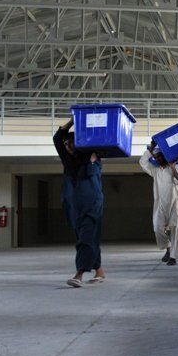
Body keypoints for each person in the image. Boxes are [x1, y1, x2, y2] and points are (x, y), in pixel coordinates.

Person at [53, 116, 105, 288]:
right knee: (87, 238)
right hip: (75, 207)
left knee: (85, 239)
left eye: (72, 143)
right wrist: (74, 120)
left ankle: (79, 274)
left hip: (91, 205)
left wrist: (85, 127)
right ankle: (99, 271)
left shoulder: (93, 157)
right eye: (66, 144)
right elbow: (57, 138)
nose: (68, 146)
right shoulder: (67, 161)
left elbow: (90, 173)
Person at [139, 141, 178, 265]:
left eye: (160, 156)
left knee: (175, 231)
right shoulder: (155, 170)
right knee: (157, 228)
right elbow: (142, 162)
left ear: (165, 156)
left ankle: (173, 257)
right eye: (156, 157)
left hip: (174, 204)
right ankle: (168, 247)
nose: (158, 159)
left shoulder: (176, 168)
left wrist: (173, 166)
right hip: (160, 205)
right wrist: (150, 150)